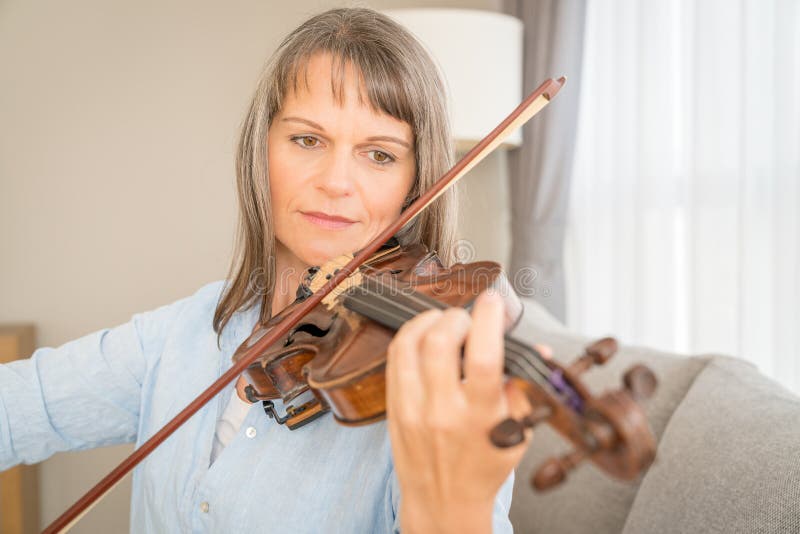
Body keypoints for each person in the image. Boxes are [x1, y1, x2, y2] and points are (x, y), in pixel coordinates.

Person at [0, 8, 537, 532]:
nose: (336, 182)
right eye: (307, 140)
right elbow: (21, 408)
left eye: (379, 155)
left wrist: (454, 503)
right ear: (262, 152)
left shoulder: (437, 392)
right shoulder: (180, 335)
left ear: (415, 186)